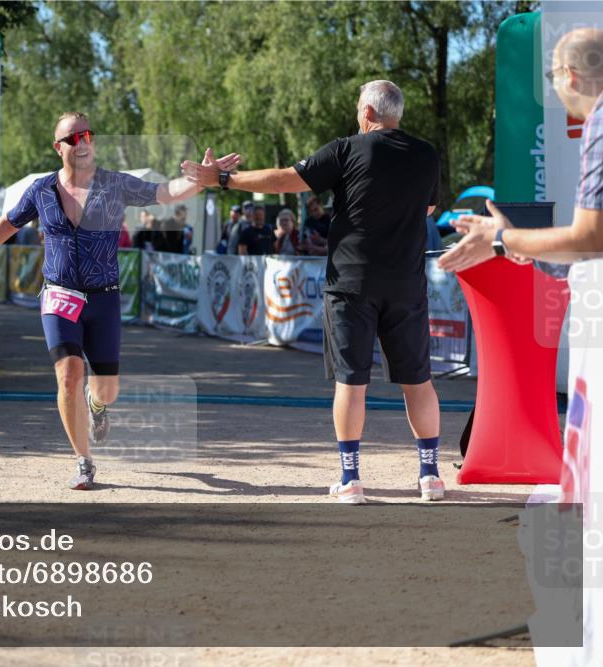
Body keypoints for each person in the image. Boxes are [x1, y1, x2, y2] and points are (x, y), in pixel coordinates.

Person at [183, 80, 443, 505]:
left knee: (351, 382)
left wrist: (224, 179)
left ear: (369, 113)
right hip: (407, 283)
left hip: (351, 284)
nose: (357, 116)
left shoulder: (348, 149)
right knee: (418, 381)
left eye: (359, 109)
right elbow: (428, 208)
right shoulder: (426, 154)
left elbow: (288, 180)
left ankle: (351, 479)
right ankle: (430, 476)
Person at [0, 111, 239, 490]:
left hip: (103, 299)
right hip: (58, 295)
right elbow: (7, 224)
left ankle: (98, 405)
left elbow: (164, 193)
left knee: (106, 389)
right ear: (59, 148)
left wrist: (200, 179)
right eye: (73, 138)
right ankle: (84, 460)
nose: (82, 142)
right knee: (68, 377)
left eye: (86, 134)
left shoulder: (114, 184)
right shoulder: (41, 190)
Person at [439, 27, 603, 272]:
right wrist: (517, 242)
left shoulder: (598, 123)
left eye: (551, 76)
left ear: (569, 75)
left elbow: (589, 242)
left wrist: (499, 238)